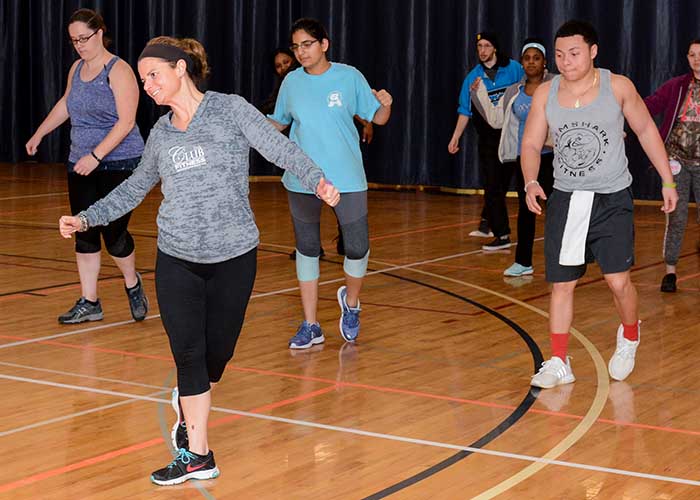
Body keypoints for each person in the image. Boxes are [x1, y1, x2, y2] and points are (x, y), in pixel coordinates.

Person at [58, 36, 339, 485]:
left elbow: (277, 146)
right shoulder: (162, 133)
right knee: (188, 355)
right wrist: (87, 218)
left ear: (181, 68)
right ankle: (197, 454)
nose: (147, 84)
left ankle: (190, 409)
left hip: (234, 255)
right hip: (177, 258)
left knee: (216, 358)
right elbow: (135, 188)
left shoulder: (229, 109)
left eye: (153, 74)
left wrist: (317, 179)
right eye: (143, 76)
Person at [521, 20, 678, 389]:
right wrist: (530, 180)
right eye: (559, 55)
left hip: (611, 197)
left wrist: (667, 181)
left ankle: (629, 334)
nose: (566, 61)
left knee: (617, 280)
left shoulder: (618, 86)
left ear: (593, 51)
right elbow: (530, 143)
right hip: (567, 198)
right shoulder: (546, 92)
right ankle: (559, 360)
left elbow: (645, 130)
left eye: (574, 53)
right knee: (561, 285)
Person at [267, 18, 392, 349]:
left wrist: (386, 105)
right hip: (301, 178)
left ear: (324, 44)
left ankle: (351, 304)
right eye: (296, 47)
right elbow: (278, 123)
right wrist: (244, 129)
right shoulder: (292, 82)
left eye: (307, 44)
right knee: (307, 249)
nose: (301, 52)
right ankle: (310, 324)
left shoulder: (349, 77)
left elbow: (376, 117)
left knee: (357, 246)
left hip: (347, 177)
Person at [25, 8, 148, 324]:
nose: (79, 45)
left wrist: (95, 156)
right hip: (80, 164)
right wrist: (39, 133)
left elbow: (126, 122)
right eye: (73, 40)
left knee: (114, 235)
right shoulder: (77, 69)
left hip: (119, 163)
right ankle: (90, 301)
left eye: (84, 38)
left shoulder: (119, 70)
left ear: (100, 33)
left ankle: (133, 284)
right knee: (84, 231)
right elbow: (67, 104)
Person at [471, 38, 555, 276]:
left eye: (536, 58)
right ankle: (523, 262)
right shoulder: (514, 92)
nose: (531, 63)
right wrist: (480, 94)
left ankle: (563, 260)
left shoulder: (557, 87)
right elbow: (496, 119)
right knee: (527, 210)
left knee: (557, 209)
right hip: (525, 159)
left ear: (544, 62)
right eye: (527, 58)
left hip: (551, 157)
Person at [448, 32, 524, 250]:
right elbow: (465, 111)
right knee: (491, 184)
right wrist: (455, 137)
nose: (482, 50)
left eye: (487, 45)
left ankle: (486, 222)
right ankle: (502, 235)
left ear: (495, 48)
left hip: (512, 135)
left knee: (501, 186)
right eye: (479, 46)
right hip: (488, 140)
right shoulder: (473, 78)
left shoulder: (514, 69)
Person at [644, 38, 700, 293]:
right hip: (676, 160)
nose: (696, 59)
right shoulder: (677, 86)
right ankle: (670, 272)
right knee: (676, 217)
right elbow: (648, 106)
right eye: (692, 55)